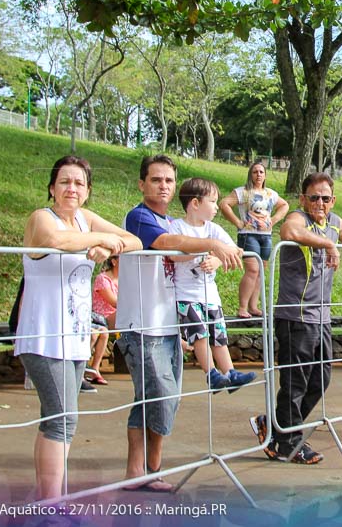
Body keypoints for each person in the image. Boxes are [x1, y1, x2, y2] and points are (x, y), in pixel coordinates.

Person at [15, 155, 142, 500]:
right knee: (63, 419)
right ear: (52, 188)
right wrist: (99, 241)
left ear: (87, 191)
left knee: (56, 420)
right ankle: (52, 504)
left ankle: (45, 499)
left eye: (79, 183)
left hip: (74, 338)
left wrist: (104, 243)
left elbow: (133, 241)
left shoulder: (85, 220)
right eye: (64, 182)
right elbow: (56, 241)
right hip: (43, 334)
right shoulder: (42, 217)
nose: (72, 188)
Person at [116, 155, 243, 492]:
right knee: (161, 395)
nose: (163, 186)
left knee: (158, 398)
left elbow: (188, 250)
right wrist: (212, 243)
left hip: (166, 324)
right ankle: (142, 471)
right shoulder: (141, 217)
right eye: (156, 180)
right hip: (141, 325)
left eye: (169, 181)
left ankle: (145, 471)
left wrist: (215, 254)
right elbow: (166, 246)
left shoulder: (173, 221)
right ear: (142, 183)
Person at [250, 172, 342, 463]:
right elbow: (288, 232)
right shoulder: (298, 218)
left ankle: (276, 426)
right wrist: (327, 245)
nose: (320, 203)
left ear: (333, 200)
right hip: (295, 315)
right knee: (296, 382)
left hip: (321, 317)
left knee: (321, 379)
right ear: (303, 199)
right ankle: (286, 443)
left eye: (325, 198)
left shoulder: (333, 222)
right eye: (313, 197)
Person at [170, 177, 257, 392]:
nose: (217, 207)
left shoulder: (214, 229)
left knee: (218, 332)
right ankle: (211, 373)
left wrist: (217, 260)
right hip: (186, 294)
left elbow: (234, 249)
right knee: (199, 333)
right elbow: (174, 255)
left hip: (210, 294)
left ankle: (230, 371)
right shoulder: (177, 226)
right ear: (195, 203)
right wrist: (205, 251)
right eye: (212, 201)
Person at [220, 161, 289, 319]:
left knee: (260, 272)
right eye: (255, 172)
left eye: (261, 172)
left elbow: (284, 205)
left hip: (266, 236)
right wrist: (238, 222)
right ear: (250, 174)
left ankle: (253, 306)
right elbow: (224, 204)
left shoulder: (270, 193)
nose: (258, 175)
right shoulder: (243, 192)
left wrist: (274, 220)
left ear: (265, 175)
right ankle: (242, 307)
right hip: (248, 235)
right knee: (252, 270)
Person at [86, 256, 119, 388]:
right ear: (114, 261)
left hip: (111, 319)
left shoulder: (125, 279)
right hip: (102, 317)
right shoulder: (103, 279)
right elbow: (114, 302)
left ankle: (95, 369)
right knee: (132, 313)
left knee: (103, 333)